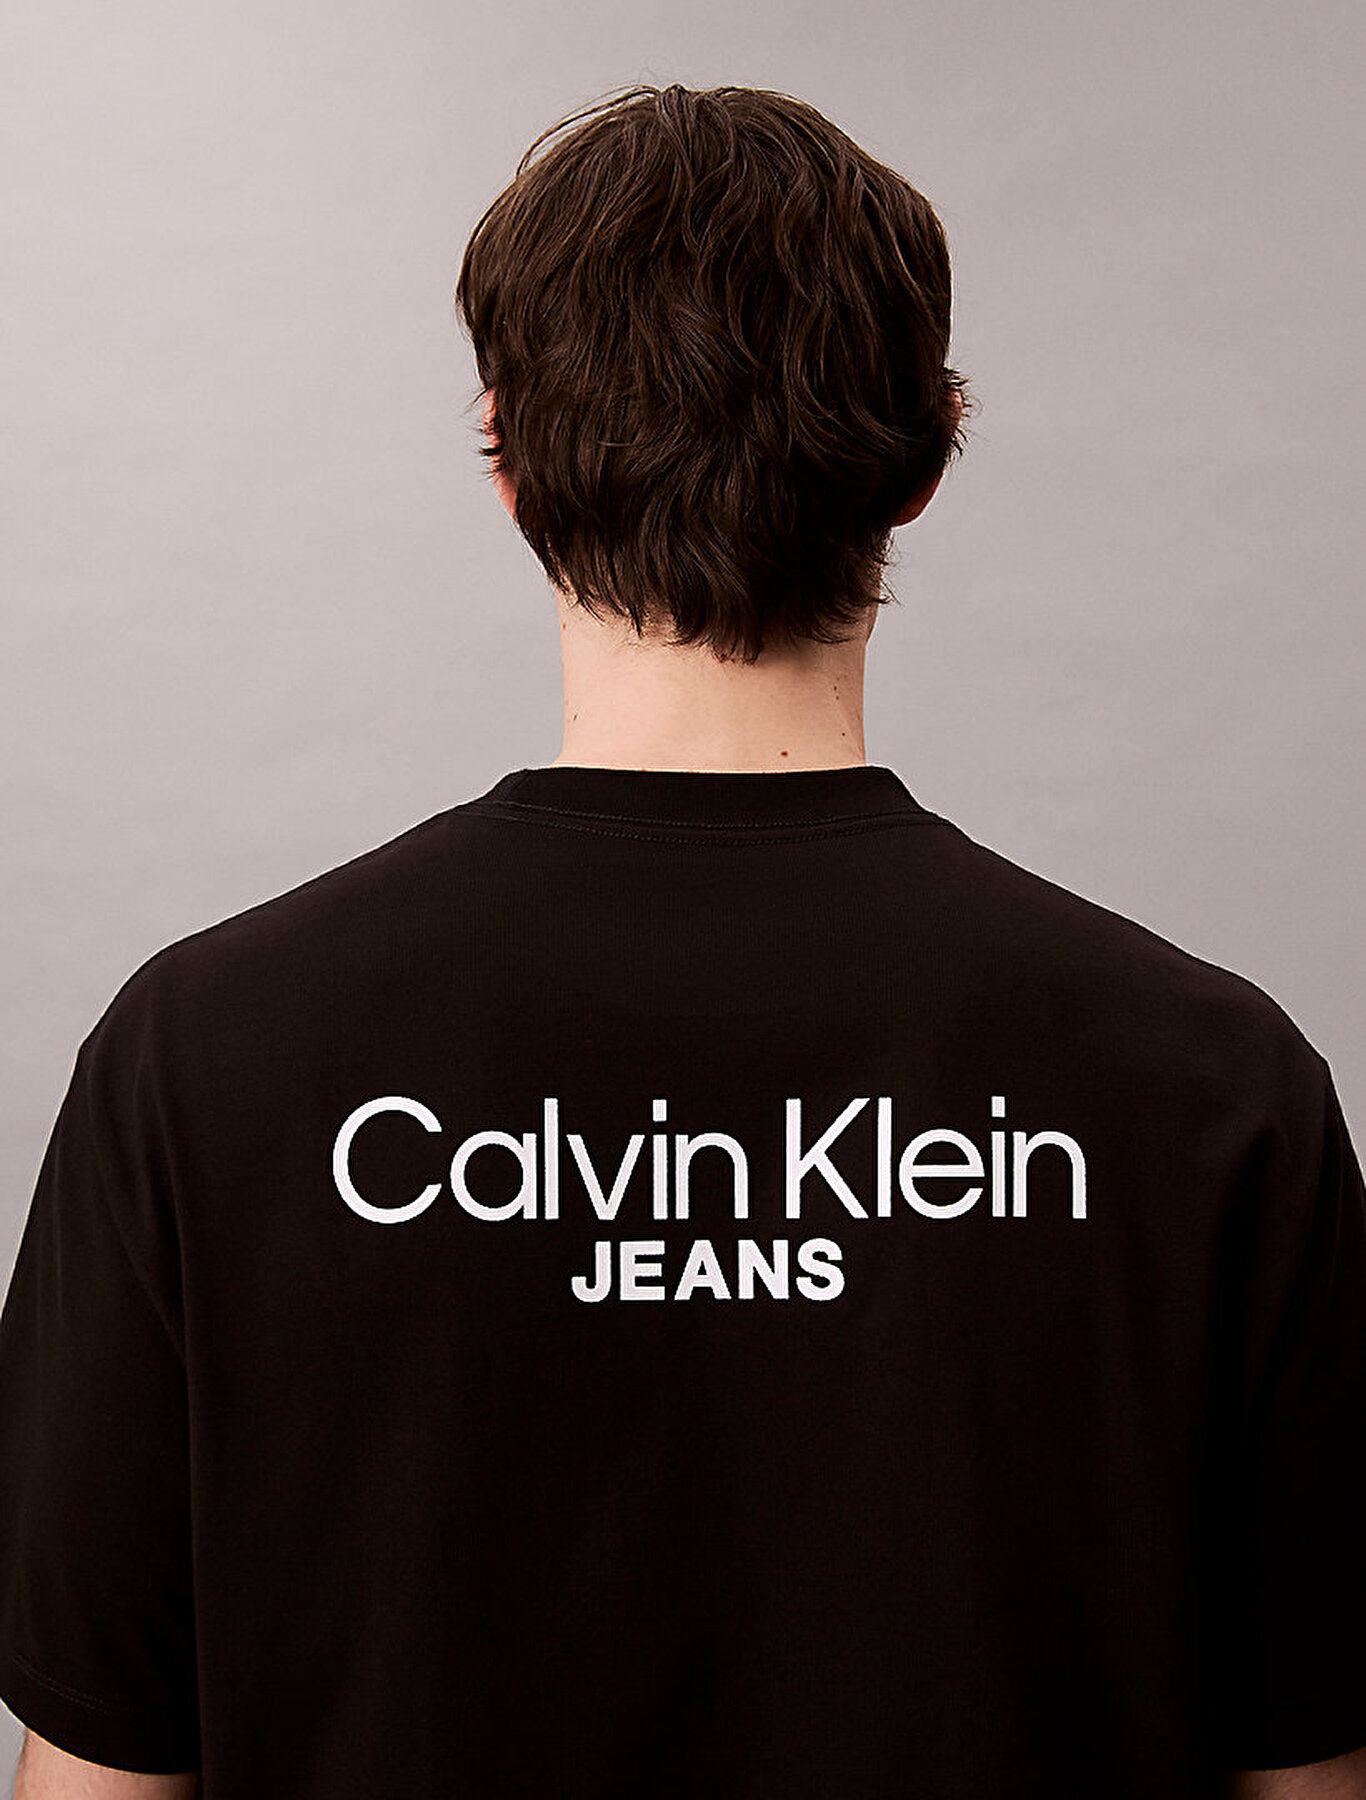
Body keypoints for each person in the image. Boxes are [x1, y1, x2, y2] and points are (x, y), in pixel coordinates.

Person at [1, 80, 1363, 1800]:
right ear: (925, 457)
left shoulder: (204, 1059)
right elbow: (1308, 1780)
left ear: (505, 455)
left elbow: (99, 1779)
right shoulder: (1206, 1086)